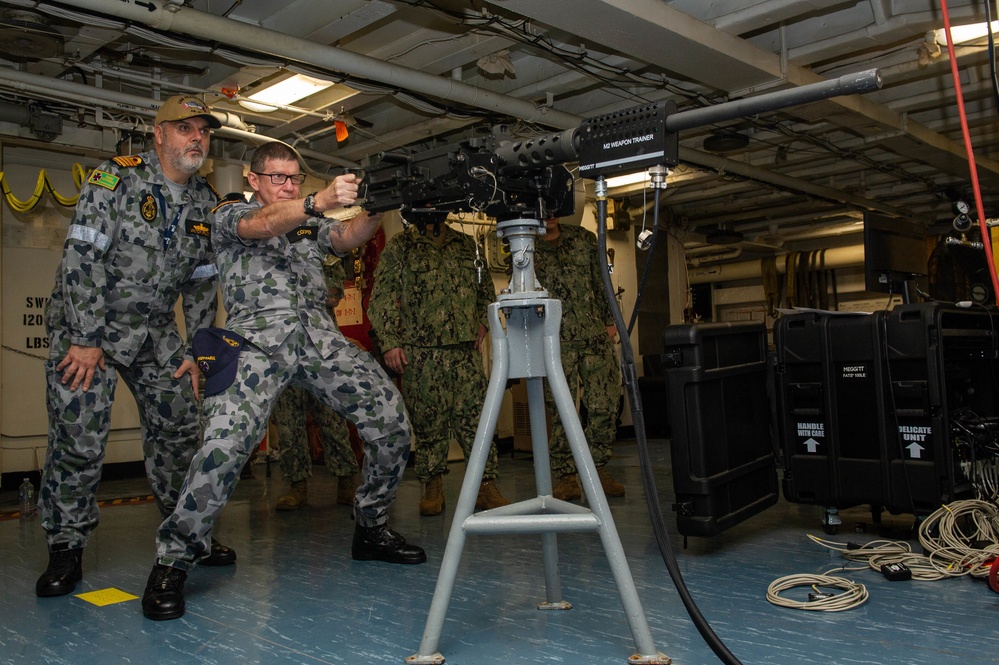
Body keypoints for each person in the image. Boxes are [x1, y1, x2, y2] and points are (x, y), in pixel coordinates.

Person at [141, 141, 424, 622]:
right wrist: (315, 200)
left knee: (391, 421)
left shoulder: (308, 223)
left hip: (317, 335)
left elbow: (347, 235)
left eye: (295, 178)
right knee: (224, 448)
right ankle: (173, 559)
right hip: (254, 339)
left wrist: (376, 209)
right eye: (279, 178)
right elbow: (265, 224)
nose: (289, 186)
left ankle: (371, 527)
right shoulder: (229, 213)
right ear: (254, 180)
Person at [35, 95, 236, 599]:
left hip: (154, 332)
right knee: (79, 439)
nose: (196, 138)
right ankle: (66, 546)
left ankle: (187, 533)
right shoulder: (115, 180)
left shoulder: (203, 202)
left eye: (204, 131)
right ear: (160, 135)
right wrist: (83, 340)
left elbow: (200, 283)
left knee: (179, 429)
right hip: (91, 326)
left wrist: (194, 350)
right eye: (185, 128)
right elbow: (82, 257)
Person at [368, 220, 510, 516]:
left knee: (476, 420)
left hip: (464, 349)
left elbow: (485, 288)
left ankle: (485, 485)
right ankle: (432, 486)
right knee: (428, 423)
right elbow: (381, 296)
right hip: (421, 352)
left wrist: (485, 322)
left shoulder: (467, 244)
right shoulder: (401, 247)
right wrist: (390, 342)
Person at [533, 216, 625, 501]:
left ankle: (596, 469)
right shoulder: (525, 246)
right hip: (554, 341)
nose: (549, 215)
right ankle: (567, 476)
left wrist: (610, 322)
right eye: (543, 209)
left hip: (593, 334)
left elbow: (602, 281)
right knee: (561, 411)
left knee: (605, 405)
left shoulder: (584, 239)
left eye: (553, 209)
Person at [271, 257, 359, 511]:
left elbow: (332, 296)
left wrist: (293, 289)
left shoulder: (322, 253)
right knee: (288, 425)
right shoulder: (270, 251)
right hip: (284, 350)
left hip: (321, 350)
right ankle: (296, 487)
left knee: (333, 422)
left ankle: (347, 482)